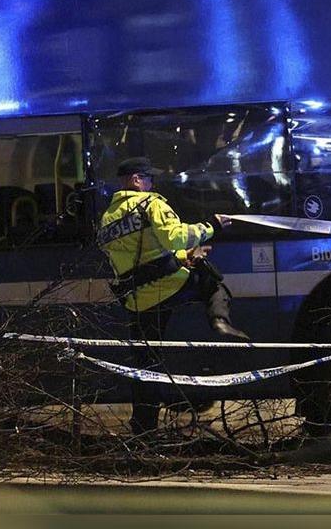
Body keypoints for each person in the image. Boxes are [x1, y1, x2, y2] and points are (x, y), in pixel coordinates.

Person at [96, 156, 249, 434]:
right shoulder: (150, 204)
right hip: (167, 286)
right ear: (136, 180)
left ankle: (143, 429)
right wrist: (211, 226)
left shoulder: (107, 219)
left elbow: (140, 259)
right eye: (149, 178)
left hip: (137, 299)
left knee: (146, 366)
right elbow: (174, 236)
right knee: (212, 281)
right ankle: (220, 321)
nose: (152, 183)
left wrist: (181, 257)